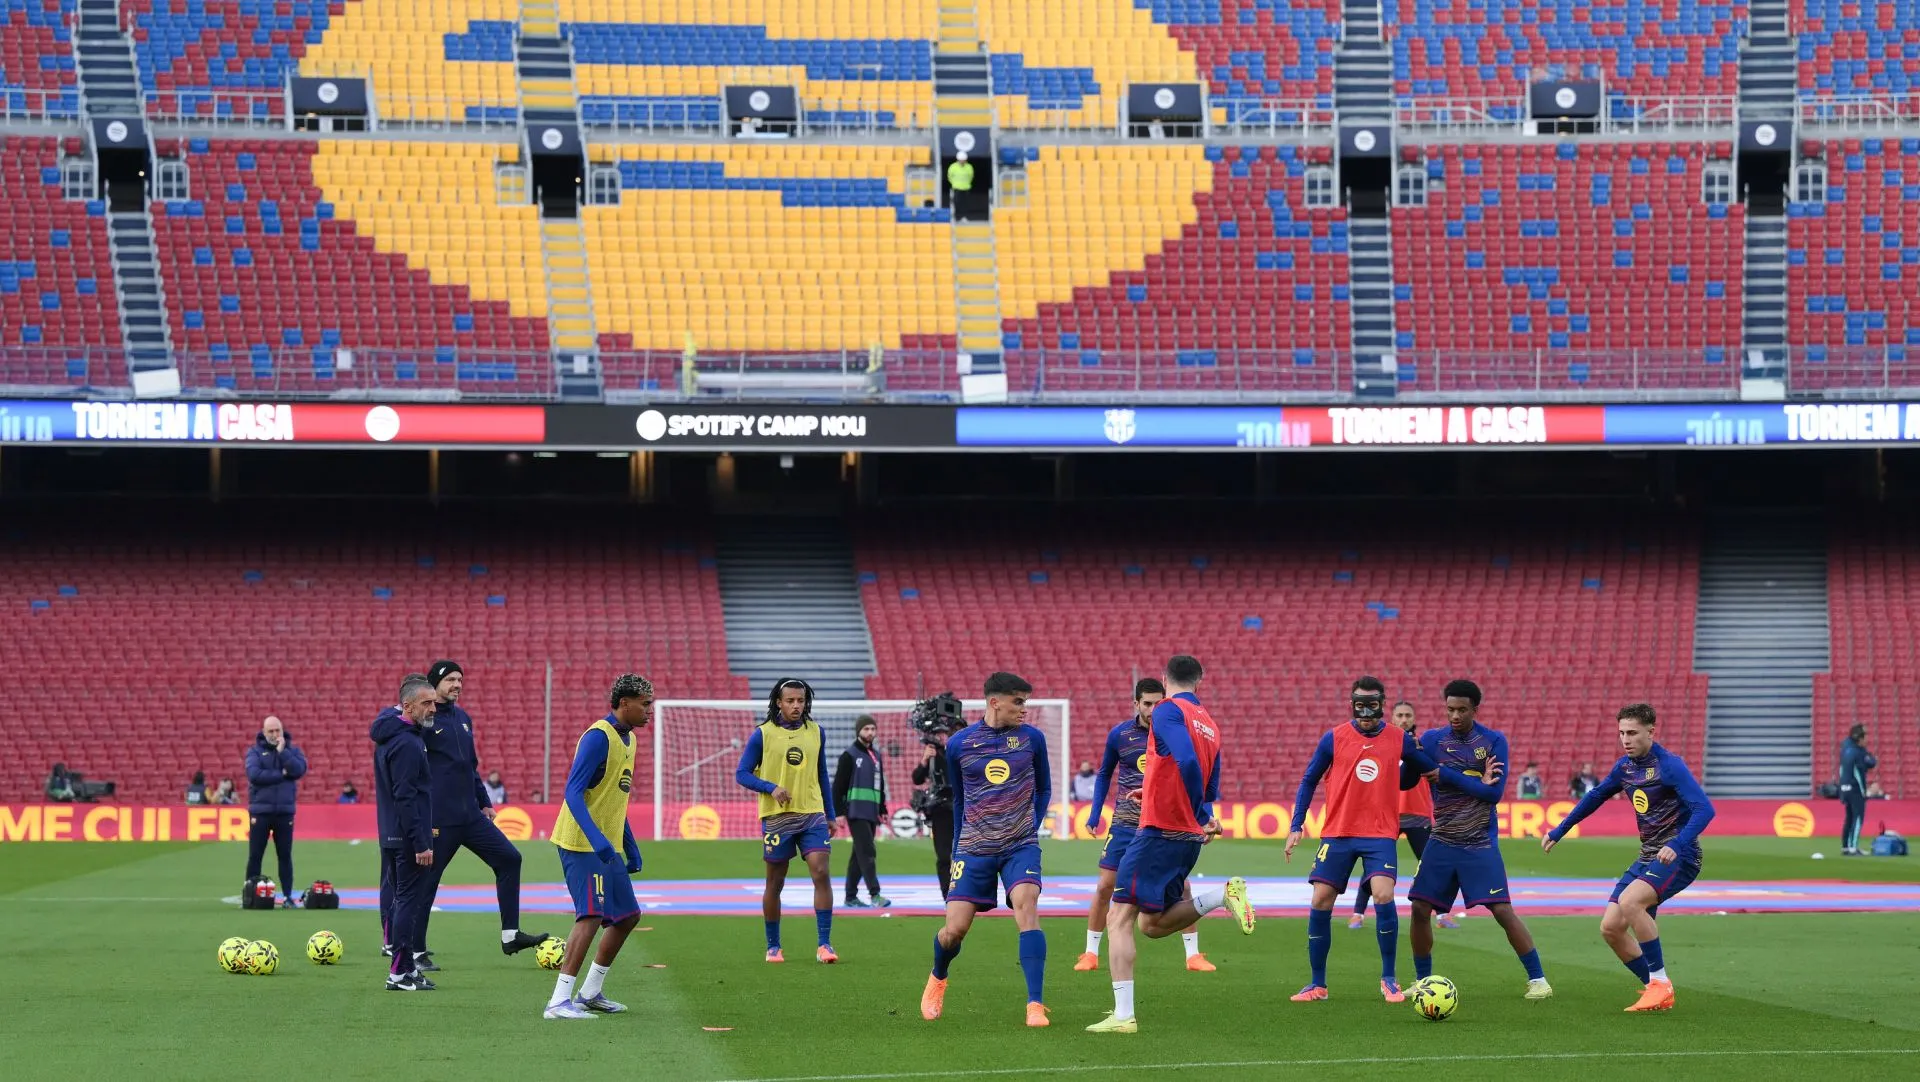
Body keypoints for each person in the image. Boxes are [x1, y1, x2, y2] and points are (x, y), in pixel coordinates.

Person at [1087, 656, 1254, 1034]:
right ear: (1200, 681)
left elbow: (1185, 761)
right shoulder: (1210, 724)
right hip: (1186, 836)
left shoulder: (1166, 710)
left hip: (1159, 832)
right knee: (1153, 924)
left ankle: (1123, 1016)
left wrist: (1189, 807)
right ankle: (1221, 895)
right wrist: (1173, 801)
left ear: (1166, 680)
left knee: (1119, 917)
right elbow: (1210, 785)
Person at [1543, 703, 1715, 1012]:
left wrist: (1677, 843)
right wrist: (1560, 830)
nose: (1626, 739)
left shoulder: (1670, 765)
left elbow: (1705, 809)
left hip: (1681, 855)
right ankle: (1655, 989)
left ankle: (1661, 984)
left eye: (1633, 733)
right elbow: (1595, 796)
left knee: (1631, 902)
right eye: (1622, 733)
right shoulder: (1625, 767)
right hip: (1650, 855)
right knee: (1610, 927)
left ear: (1651, 731)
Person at [1284, 675, 1437, 1003]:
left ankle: (1389, 979)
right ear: (1352, 705)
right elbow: (1309, 780)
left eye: (1372, 705)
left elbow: (1424, 771)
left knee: (1383, 894)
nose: (1366, 712)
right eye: (1360, 705)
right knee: (1320, 900)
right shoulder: (1334, 737)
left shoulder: (1399, 739)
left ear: (1383, 705)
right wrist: (1297, 824)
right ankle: (1317, 985)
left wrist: (1465, 775)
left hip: (1379, 832)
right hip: (1337, 832)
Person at [391, 660, 550, 970]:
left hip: (470, 817)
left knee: (510, 858)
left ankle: (510, 935)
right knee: (427, 884)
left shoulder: (463, 718)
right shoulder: (425, 717)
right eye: (450, 679)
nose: (457, 684)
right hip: (439, 819)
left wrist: (484, 801)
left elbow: (470, 767)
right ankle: (417, 952)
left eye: (460, 679)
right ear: (434, 684)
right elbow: (390, 727)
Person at [921, 672, 1053, 1028]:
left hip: (1020, 845)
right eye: (1018, 702)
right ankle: (938, 976)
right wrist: (959, 845)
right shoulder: (960, 744)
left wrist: (1031, 824)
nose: (1024, 710)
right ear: (995, 702)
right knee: (954, 931)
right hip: (974, 847)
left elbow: (1043, 790)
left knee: (1027, 906)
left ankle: (1035, 1004)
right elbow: (961, 798)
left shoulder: (1032, 740)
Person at [1407, 680, 1551, 999]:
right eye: (1450, 709)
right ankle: (1421, 981)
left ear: (1475, 709)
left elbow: (1494, 794)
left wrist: (1447, 776)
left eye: (1461, 710)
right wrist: (1405, 748)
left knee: (1501, 909)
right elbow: (1407, 780)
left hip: (1478, 841)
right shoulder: (1432, 740)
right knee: (1418, 907)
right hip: (1442, 838)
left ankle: (1538, 979)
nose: (1454, 716)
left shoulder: (1493, 741)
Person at [1079, 678, 1213, 973]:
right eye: (1147, 703)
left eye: (1157, 702)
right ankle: (1090, 951)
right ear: (1135, 704)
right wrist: (1094, 814)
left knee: (1183, 888)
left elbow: (1198, 772)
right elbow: (1103, 775)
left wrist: (1205, 812)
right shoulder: (1120, 735)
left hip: (1161, 823)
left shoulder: (1174, 730)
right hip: (1126, 822)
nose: (1153, 709)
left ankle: (1193, 954)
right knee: (1105, 886)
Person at [544, 673, 654, 1019]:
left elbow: (612, 800)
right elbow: (573, 794)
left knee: (626, 916)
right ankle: (558, 1002)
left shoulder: (630, 740)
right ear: (625, 704)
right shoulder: (597, 738)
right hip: (580, 843)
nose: (649, 710)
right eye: (645, 704)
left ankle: (590, 992)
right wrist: (598, 842)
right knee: (591, 915)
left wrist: (629, 845)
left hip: (606, 845)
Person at [735, 677, 838, 963]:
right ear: (778, 703)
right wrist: (771, 788)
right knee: (775, 883)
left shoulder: (817, 732)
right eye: (790, 700)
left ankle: (825, 945)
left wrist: (829, 814)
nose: (796, 705)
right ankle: (773, 946)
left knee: (821, 872)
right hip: (777, 818)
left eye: (801, 700)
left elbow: (822, 775)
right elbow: (742, 773)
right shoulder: (763, 734)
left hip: (812, 813)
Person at [1350, 701, 1456, 932]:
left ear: (1414, 718)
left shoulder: (1423, 746)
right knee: (1374, 868)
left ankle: (1443, 914)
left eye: (1408, 715)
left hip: (1418, 816)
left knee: (1430, 865)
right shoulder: (1383, 745)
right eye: (1400, 715)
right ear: (1392, 718)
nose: (1404, 719)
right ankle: (1357, 914)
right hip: (1387, 816)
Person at [371, 675, 437, 991]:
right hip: (408, 837)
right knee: (408, 903)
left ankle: (406, 969)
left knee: (402, 901)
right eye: (426, 703)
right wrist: (421, 842)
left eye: (434, 702)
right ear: (407, 706)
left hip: (391, 833)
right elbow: (406, 796)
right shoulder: (408, 743)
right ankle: (398, 973)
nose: (433, 708)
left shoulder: (392, 737)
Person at [244, 715, 307, 908]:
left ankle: (288, 896)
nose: (274, 734)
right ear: (263, 733)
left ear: (282, 731)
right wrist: (281, 774)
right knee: (255, 855)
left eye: (277, 730)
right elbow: (255, 775)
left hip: (284, 812)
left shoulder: (292, 751)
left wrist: (282, 753)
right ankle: (250, 895)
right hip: (260, 811)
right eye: (270, 731)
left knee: (285, 855)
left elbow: (299, 769)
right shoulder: (254, 752)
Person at [833, 715, 891, 908]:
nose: (870, 733)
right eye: (866, 729)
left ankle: (850, 896)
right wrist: (839, 812)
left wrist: (882, 808)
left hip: (871, 811)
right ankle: (875, 894)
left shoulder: (876, 756)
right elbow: (838, 787)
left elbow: (879, 785)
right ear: (858, 731)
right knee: (867, 851)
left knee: (858, 854)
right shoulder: (849, 755)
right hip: (855, 811)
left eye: (873, 729)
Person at [911, 726, 957, 897]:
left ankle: (966, 892)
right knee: (944, 856)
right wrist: (925, 760)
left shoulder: (965, 752)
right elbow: (917, 778)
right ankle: (948, 894)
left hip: (963, 809)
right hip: (941, 810)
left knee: (967, 855)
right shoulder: (934, 754)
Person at [1839, 724, 1877, 856]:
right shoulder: (1858, 752)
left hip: (1845, 787)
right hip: (1855, 789)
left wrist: (1842, 788)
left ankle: (1845, 846)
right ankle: (1853, 847)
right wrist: (1863, 792)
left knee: (1849, 817)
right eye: (1865, 736)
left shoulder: (1845, 748)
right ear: (1859, 738)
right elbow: (1869, 765)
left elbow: (1842, 770)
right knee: (1858, 817)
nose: (1867, 739)